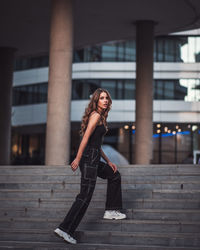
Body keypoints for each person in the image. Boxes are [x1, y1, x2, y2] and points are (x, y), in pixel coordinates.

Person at [54, 88, 126, 244]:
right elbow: (85, 139)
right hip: (88, 159)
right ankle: (65, 229)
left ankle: (111, 210)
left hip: (93, 158)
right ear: (96, 101)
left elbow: (96, 144)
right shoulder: (96, 116)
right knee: (84, 196)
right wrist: (77, 159)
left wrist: (108, 161)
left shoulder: (100, 117)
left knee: (114, 175)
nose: (105, 100)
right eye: (102, 98)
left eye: (107, 98)